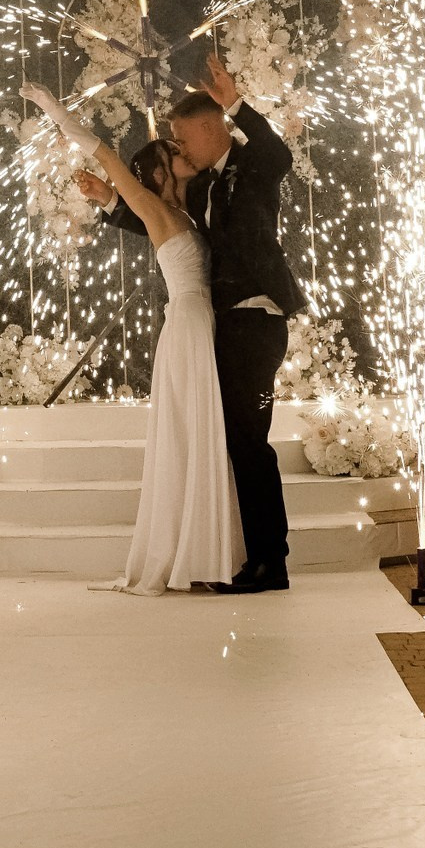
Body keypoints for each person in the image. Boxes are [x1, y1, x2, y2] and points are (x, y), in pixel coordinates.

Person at [77, 51, 300, 594]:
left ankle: (270, 562)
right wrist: (112, 203)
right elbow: (169, 225)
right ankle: (248, 554)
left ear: (208, 127)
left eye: (183, 137)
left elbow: (278, 152)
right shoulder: (202, 187)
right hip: (225, 326)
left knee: (249, 441)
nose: (181, 147)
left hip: (256, 320)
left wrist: (236, 104)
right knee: (237, 440)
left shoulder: (252, 165)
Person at [21, 83, 239, 596]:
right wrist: (54, 110)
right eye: (173, 152)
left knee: (203, 433)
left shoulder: (183, 212)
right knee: (190, 432)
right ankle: (188, 553)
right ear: (160, 172)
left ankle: (202, 549)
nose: (183, 152)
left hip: (201, 321)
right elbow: (103, 153)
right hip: (188, 325)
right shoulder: (153, 207)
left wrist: (110, 199)